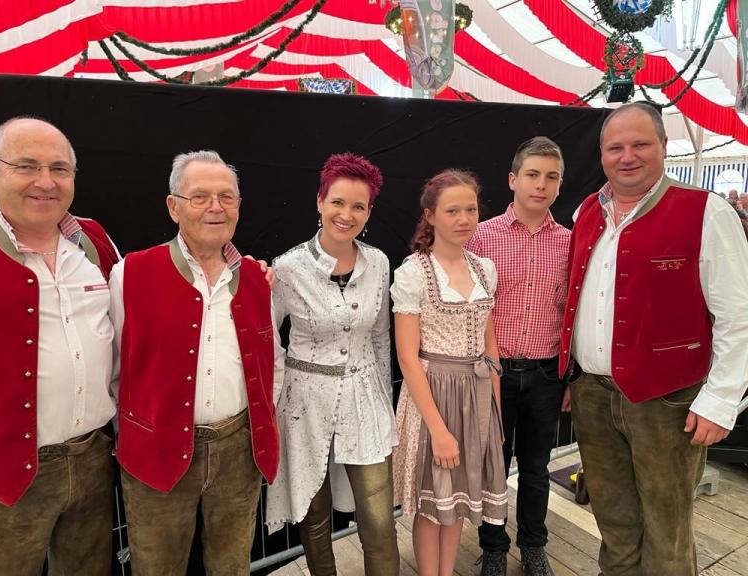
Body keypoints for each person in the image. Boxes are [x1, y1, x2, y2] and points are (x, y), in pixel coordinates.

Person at [560, 102, 748, 576]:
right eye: (615, 147)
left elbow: (738, 315)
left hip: (666, 401)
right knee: (614, 522)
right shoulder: (587, 210)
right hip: (591, 395)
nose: (627, 156)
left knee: (667, 530)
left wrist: (720, 400)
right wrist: (571, 372)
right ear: (601, 154)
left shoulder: (706, 211)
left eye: (640, 144)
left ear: (664, 147)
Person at [109, 150, 283, 575]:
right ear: (174, 207)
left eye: (226, 197)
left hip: (238, 453)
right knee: (158, 568)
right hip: (155, 452)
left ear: (239, 206)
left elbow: (272, 362)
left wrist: (255, 425)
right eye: (200, 196)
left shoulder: (258, 279)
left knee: (231, 566)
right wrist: (137, 432)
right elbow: (113, 368)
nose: (215, 207)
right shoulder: (129, 273)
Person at [0, 117, 119, 575]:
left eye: (59, 169)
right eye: (26, 166)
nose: (45, 181)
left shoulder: (94, 241)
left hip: (92, 460)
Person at [266, 153, 399, 576]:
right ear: (320, 201)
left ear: (369, 212)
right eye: (338, 202)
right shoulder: (288, 268)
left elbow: (380, 337)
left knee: (379, 524)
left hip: (365, 400)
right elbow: (267, 339)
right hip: (304, 405)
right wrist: (275, 400)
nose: (347, 214)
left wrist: (383, 402)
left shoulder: (378, 262)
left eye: (359, 206)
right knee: (314, 517)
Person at [392, 169, 508, 576]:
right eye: (452, 210)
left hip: (475, 395)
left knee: (457, 500)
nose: (464, 219)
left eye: (470, 210)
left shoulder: (484, 269)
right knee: (432, 505)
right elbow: (408, 358)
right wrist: (438, 430)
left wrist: (494, 411)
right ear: (430, 215)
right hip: (434, 395)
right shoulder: (413, 273)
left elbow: (490, 346)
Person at [466, 136, 571, 576]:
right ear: (513, 180)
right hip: (495, 373)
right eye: (532, 174)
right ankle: (493, 547)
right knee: (492, 467)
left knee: (536, 467)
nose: (540, 184)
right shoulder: (480, 236)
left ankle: (533, 546)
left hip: (546, 375)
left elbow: (571, 312)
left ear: (560, 185)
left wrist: (570, 376)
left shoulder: (570, 243)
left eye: (551, 177)